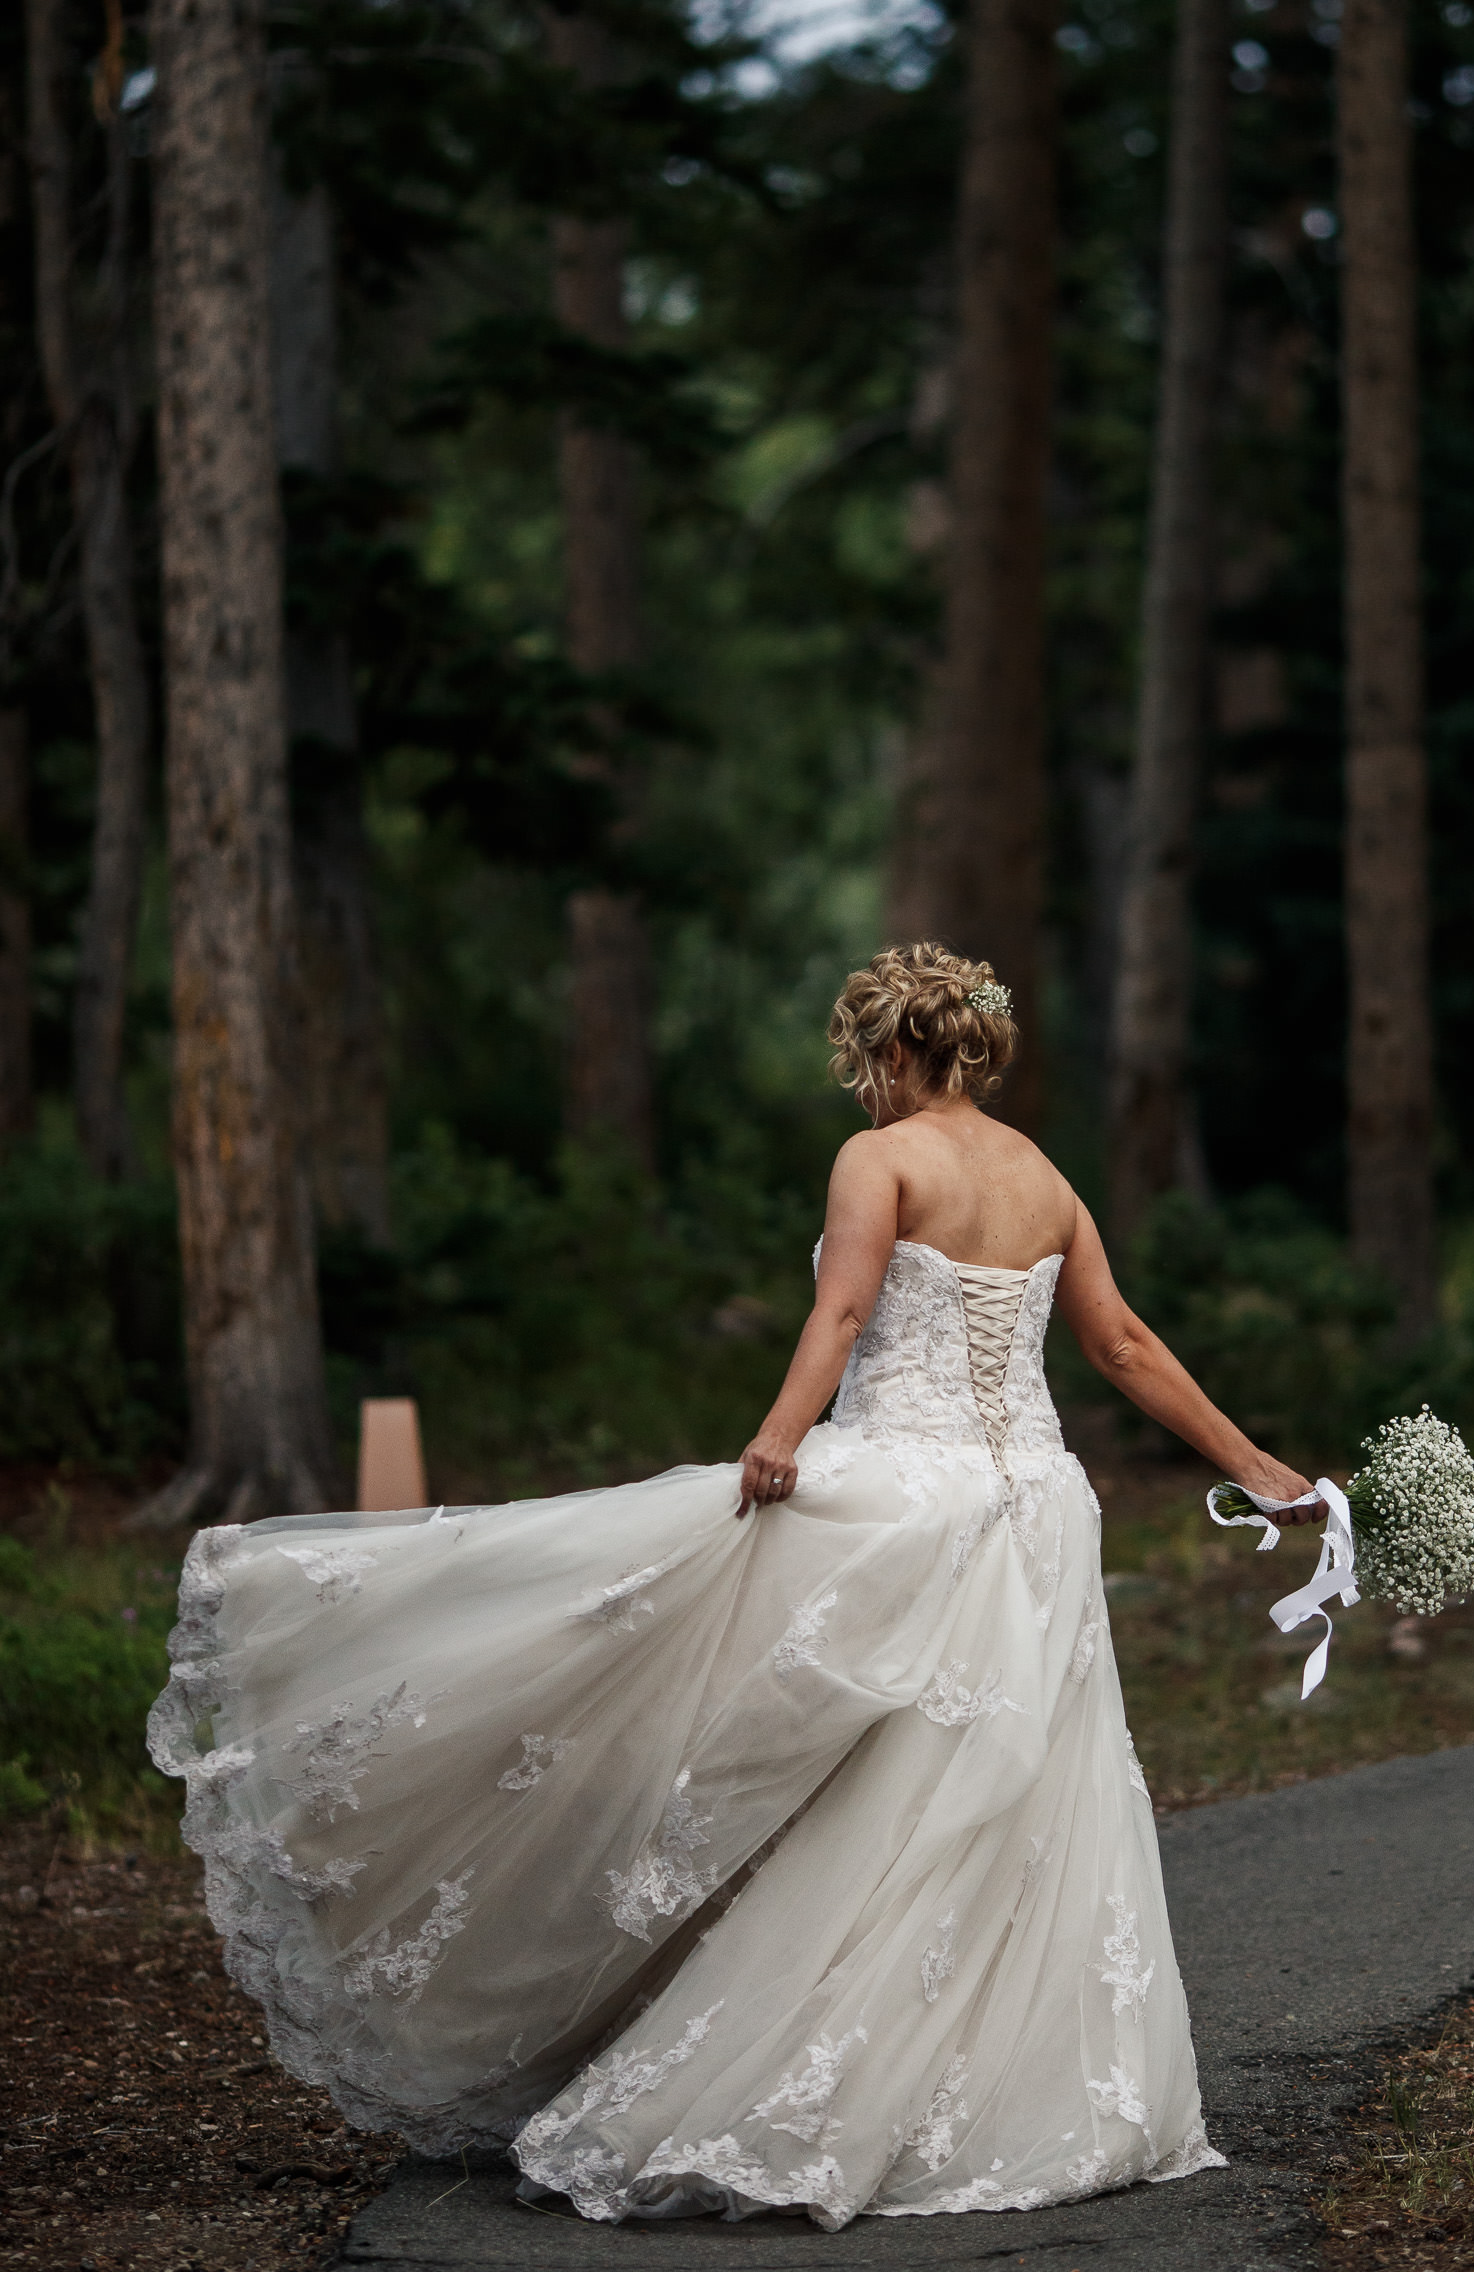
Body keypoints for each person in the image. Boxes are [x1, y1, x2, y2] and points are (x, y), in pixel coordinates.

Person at [149, 942, 1327, 2231]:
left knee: (690, 1647)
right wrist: (1264, 1471)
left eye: (863, 1064)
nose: (862, 1089)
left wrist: (776, 1436)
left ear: (889, 1053)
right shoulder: (1043, 1175)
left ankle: (773, 2046)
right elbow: (1123, 1344)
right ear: (970, 1044)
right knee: (1004, 1789)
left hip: (911, 1490)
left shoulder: (879, 1159)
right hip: (1042, 1505)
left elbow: (842, 1313)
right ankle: (1016, 2095)